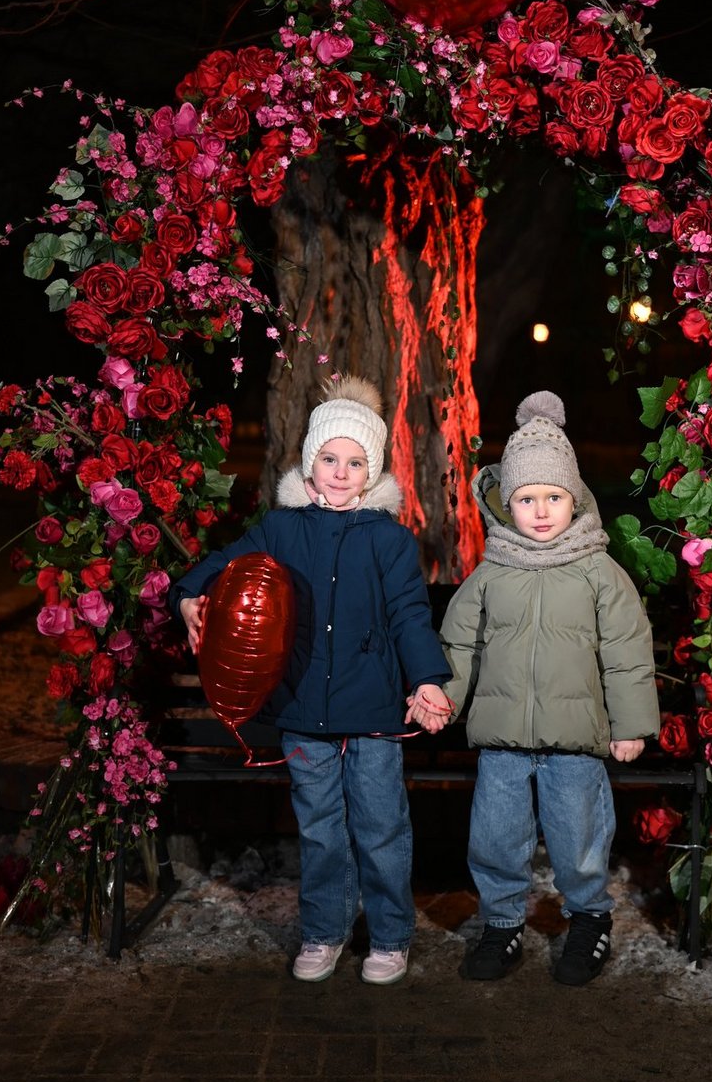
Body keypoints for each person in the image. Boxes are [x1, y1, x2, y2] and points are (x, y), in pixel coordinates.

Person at [169, 374, 452, 986]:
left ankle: (390, 936)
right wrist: (190, 593)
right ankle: (323, 932)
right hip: (302, 710)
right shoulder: (281, 528)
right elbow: (222, 564)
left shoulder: (391, 541)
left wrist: (426, 679)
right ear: (309, 460)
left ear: (372, 471)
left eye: (356, 462)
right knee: (321, 830)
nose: (341, 472)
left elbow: (409, 615)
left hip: (374, 711)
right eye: (329, 458)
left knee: (379, 827)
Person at [439, 390, 659, 986]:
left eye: (554, 497)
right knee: (495, 836)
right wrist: (443, 697)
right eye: (528, 499)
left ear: (575, 499)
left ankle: (589, 918)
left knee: (578, 835)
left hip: (574, 744)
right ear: (508, 505)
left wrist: (630, 724)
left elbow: (626, 651)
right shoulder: (491, 573)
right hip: (503, 742)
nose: (541, 511)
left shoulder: (598, 572)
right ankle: (502, 923)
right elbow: (460, 644)